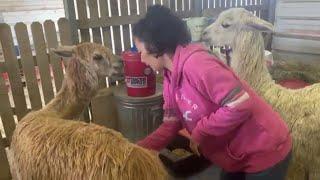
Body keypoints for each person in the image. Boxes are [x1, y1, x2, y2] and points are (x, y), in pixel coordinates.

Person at [133, 5, 292, 180]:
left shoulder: (198, 65)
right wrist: (133, 150)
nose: (140, 59)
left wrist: (201, 131)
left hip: (264, 147)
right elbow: (171, 125)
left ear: (156, 47)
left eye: (141, 52)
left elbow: (240, 104)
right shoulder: (170, 77)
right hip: (236, 154)